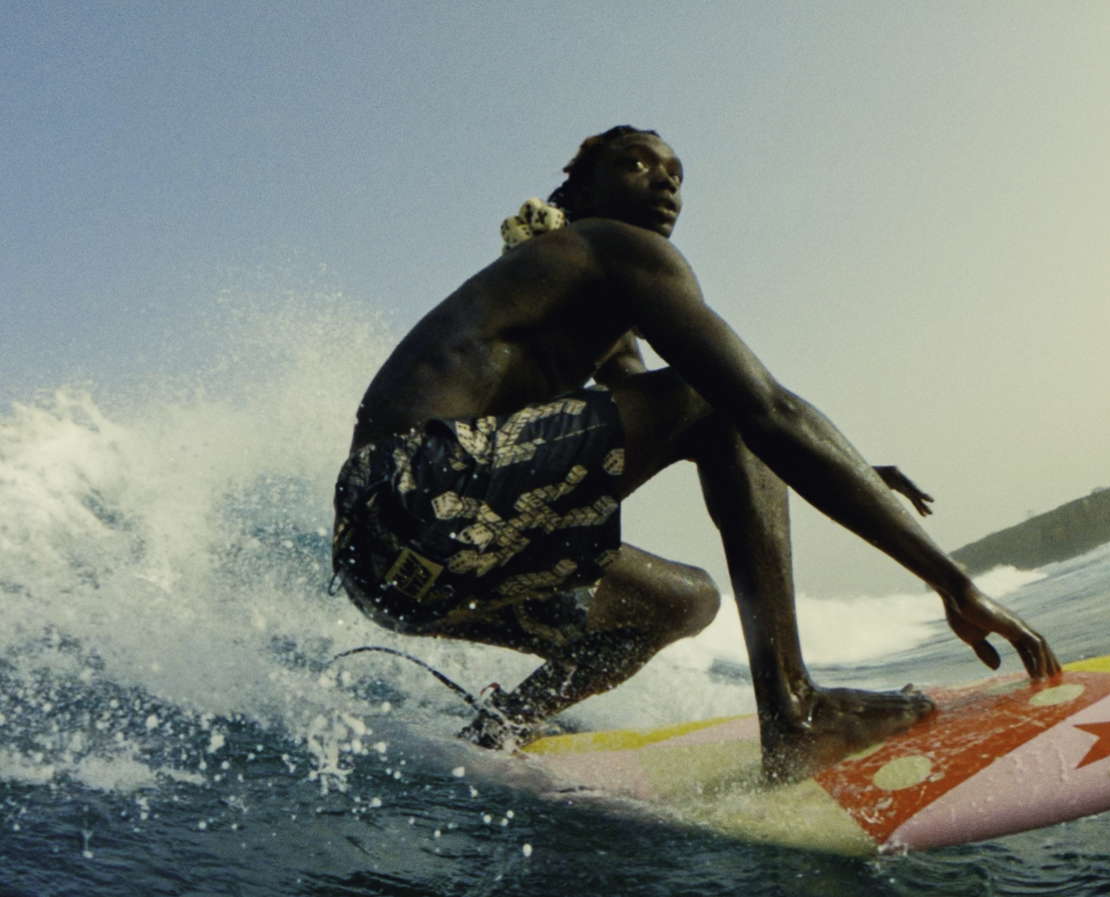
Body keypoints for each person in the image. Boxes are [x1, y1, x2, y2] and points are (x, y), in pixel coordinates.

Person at [331, 126, 1059, 781]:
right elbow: (750, 410)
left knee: (680, 602)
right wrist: (953, 582)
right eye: (638, 162)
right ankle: (795, 711)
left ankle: (500, 728)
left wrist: (853, 470)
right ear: (582, 192)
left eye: (676, 169)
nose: (667, 178)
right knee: (726, 400)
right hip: (413, 488)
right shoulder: (612, 248)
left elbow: (663, 418)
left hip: (390, 574)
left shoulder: (582, 300)